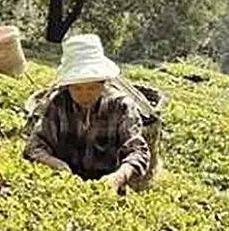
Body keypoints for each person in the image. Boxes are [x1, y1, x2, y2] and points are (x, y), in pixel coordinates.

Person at [24, 34, 150, 194]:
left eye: (92, 88)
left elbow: (138, 151)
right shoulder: (58, 104)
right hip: (64, 188)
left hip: (109, 189)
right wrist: (56, 165)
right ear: (67, 86)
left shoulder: (121, 106)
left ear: (103, 83)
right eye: (77, 88)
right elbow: (34, 147)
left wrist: (118, 177)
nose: (84, 95)